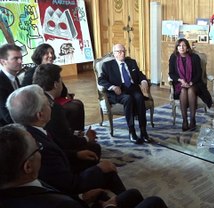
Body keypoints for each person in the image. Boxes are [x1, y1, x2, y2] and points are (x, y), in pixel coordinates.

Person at [0, 124, 168, 208]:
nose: (41, 151)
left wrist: (81, 197)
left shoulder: (18, 184)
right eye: (38, 148)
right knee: (154, 202)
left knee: (132, 194)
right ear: (28, 167)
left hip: (79, 199)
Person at [6, 85, 126, 195]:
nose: (51, 106)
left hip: (61, 170)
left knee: (93, 158)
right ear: (40, 115)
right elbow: (71, 185)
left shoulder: (26, 131)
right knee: (107, 171)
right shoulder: (39, 146)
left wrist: (76, 154)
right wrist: (99, 169)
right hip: (64, 189)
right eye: (49, 104)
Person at [33, 63, 101, 173]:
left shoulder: (35, 98)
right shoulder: (53, 108)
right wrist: (86, 138)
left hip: (42, 152)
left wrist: (74, 133)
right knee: (94, 148)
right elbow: (66, 142)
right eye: (61, 80)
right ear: (56, 84)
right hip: (57, 159)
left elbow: (57, 133)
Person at [21, 43, 85, 132]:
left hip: (53, 99)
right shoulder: (31, 72)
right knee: (74, 107)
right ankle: (70, 133)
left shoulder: (52, 70)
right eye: (47, 53)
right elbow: (25, 91)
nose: (51, 56)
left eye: (52, 53)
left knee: (78, 103)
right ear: (40, 56)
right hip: (41, 102)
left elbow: (62, 90)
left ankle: (77, 132)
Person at [98, 44, 153, 144]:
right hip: (118, 90)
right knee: (128, 99)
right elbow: (101, 80)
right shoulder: (107, 65)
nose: (122, 53)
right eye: (119, 51)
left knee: (140, 98)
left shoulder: (131, 62)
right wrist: (112, 87)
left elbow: (139, 74)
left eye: (124, 51)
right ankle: (132, 131)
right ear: (114, 54)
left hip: (132, 88)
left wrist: (144, 80)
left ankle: (143, 131)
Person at [169, 38, 212, 131]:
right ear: (177, 48)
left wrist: (191, 82)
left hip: (195, 83)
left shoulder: (194, 57)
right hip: (180, 83)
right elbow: (171, 73)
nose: (181, 48)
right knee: (183, 90)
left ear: (188, 47)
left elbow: (199, 73)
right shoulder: (173, 57)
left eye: (184, 45)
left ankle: (192, 119)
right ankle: (185, 120)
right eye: (179, 46)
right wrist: (180, 80)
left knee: (191, 90)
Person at [0, 43, 23, 126]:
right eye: (15, 58)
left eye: (21, 58)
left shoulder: (14, 77)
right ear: (3, 61)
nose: (20, 61)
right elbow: (6, 117)